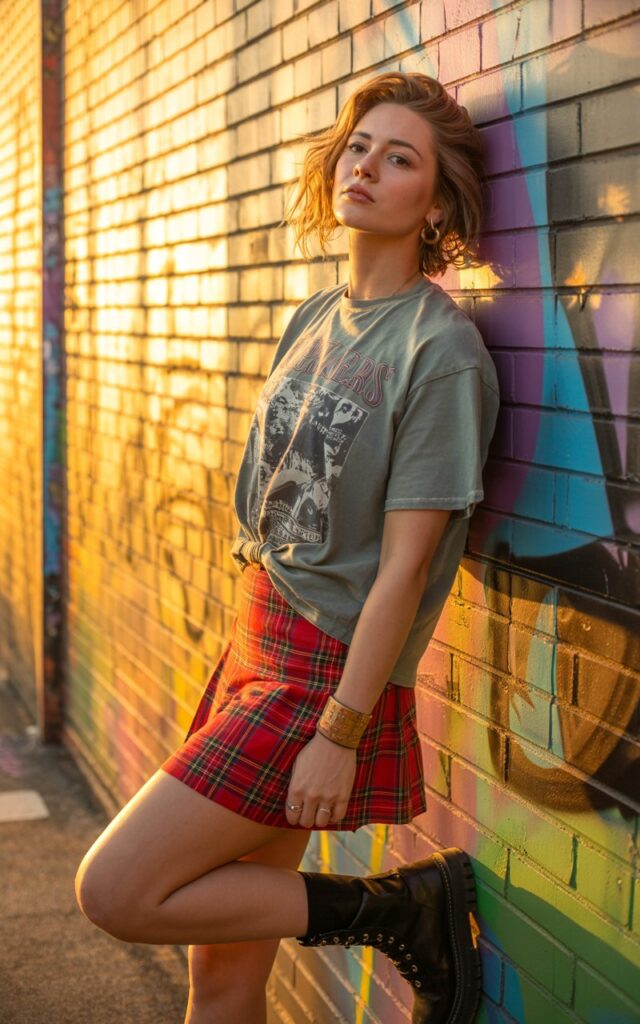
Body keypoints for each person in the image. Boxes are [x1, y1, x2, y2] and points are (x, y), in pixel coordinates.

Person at [74, 71, 500, 1024]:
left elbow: (406, 568)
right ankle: (390, 911)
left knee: (118, 890)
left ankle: (398, 910)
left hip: (321, 674)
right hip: (257, 643)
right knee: (222, 977)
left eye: (400, 160)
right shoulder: (317, 316)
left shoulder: (440, 353)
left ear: (433, 204)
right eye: (359, 146)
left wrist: (339, 734)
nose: (367, 167)